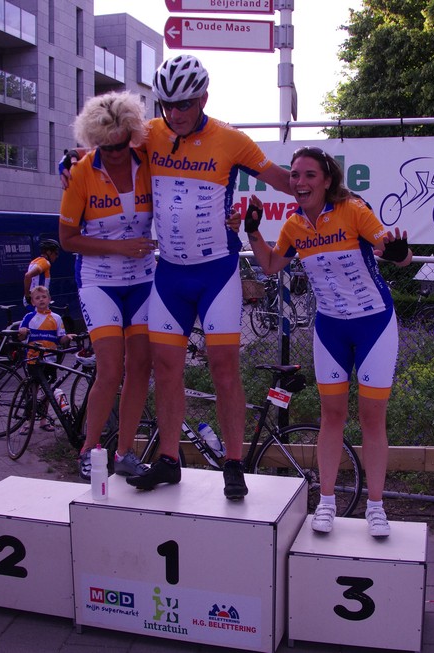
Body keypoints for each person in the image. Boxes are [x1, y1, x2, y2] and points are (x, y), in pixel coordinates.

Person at [122, 54, 293, 500]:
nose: (175, 114)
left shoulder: (230, 139)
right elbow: (104, 152)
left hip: (217, 272)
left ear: (203, 98)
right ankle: (168, 459)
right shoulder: (149, 133)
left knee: (224, 370)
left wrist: (337, 195)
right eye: (167, 105)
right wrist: (73, 165)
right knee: (166, 369)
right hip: (169, 274)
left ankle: (233, 463)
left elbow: (284, 180)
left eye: (184, 104)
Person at [242, 146, 413, 538]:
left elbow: (395, 252)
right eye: (295, 175)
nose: (300, 182)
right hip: (331, 328)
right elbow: (270, 264)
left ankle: (376, 507)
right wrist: (253, 231)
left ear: (327, 180)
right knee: (331, 416)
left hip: (374, 326)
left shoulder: (353, 210)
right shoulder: (293, 225)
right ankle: (327, 503)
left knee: (372, 418)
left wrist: (400, 254)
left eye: (309, 175)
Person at [59, 90, 156, 482]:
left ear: (132, 135)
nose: (114, 154)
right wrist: (120, 247)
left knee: (141, 367)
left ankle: (125, 451)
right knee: (111, 368)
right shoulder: (81, 172)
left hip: (143, 279)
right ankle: (88, 449)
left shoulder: (146, 158)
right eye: (105, 147)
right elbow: (67, 239)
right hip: (99, 281)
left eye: (121, 145)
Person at [17, 285, 74, 434]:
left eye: (44, 297)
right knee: (33, 391)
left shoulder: (57, 318)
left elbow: (60, 338)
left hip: (50, 359)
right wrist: (22, 332)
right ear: (33, 302)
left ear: (49, 299)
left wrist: (67, 337)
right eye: (37, 298)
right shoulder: (29, 317)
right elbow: (20, 337)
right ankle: (28, 422)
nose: (41, 300)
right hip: (33, 359)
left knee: (48, 391)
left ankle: (43, 420)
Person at [23, 239, 60, 306]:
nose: (57, 256)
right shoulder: (45, 263)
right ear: (49, 252)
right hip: (37, 301)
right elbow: (27, 276)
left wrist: (27, 296)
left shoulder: (34, 261)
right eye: (56, 253)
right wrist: (27, 296)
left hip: (34, 299)